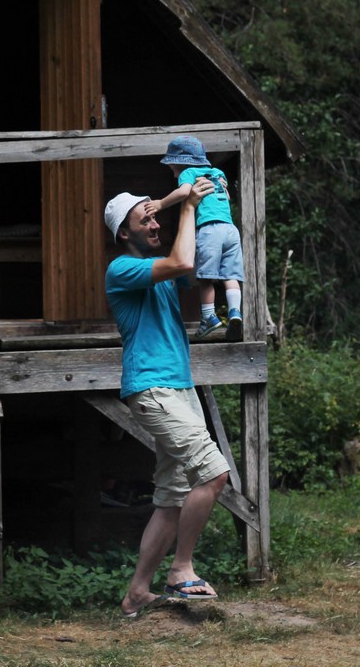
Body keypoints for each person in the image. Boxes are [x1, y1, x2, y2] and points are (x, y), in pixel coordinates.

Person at [104, 180, 232, 618]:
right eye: (146, 219)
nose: (155, 222)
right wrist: (189, 207)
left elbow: (192, 262)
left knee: (173, 497)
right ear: (125, 232)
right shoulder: (122, 268)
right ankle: (181, 568)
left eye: (156, 216)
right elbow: (182, 260)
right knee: (213, 474)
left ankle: (138, 591)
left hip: (178, 387)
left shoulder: (159, 267)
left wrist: (204, 210)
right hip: (153, 388)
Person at [144, 135, 245, 341]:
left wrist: (161, 204)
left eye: (172, 166)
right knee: (230, 276)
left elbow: (183, 193)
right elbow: (225, 195)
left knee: (206, 278)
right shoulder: (217, 173)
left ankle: (209, 316)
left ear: (181, 161)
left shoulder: (188, 172)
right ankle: (235, 312)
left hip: (210, 229)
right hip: (230, 230)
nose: (172, 172)